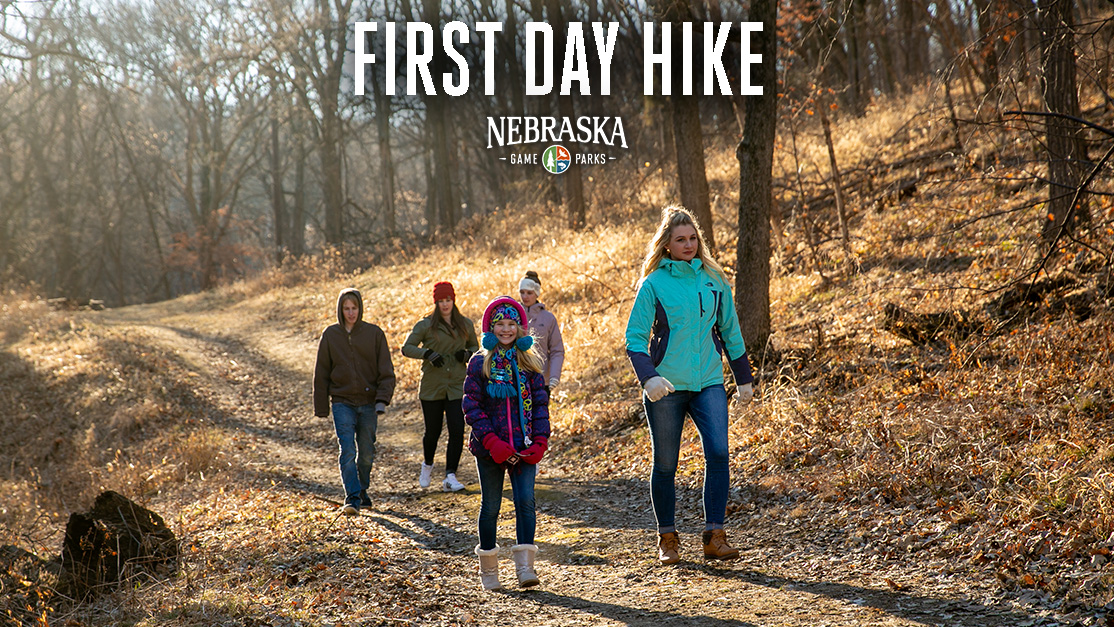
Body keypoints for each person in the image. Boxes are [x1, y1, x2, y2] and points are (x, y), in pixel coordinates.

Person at [624, 206, 755, 565]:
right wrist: (649, 376)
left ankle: (715, 536)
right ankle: (667, 537)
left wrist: (743, 378)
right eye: (680, 239)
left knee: (719, 454)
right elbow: (634, 338)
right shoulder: (653, 285)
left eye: (693, 238)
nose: (688, 244)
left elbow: (730, 331)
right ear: (666, 244)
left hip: (709, 381)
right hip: (665, 386)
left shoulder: (714, 281)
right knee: (666, 464)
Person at [464, 296, 551, 590]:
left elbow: (540, 405)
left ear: (520, 327)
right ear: (490, 328)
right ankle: (488, 571)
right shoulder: (479, 363)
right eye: (499, 324)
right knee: (491, 506)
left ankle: (526, 567)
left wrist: (540, 440)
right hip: (490, 449)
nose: (505, 329)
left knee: (526, 502)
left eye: (511, 323)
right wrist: (490, 440)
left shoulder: (529, 364)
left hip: (524, 447)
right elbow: (471, 405)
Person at [313, 287, 396, 516]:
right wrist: (321, 407)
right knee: (347, 449)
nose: (351, 313)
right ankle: (352, 498)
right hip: (342, 402)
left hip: (369, 403)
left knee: (367, 452)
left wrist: (381, 401)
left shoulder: (374, 334)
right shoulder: (331, 335)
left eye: (354, 308)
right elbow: (321, 373)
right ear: (340, 310)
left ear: (360, 308)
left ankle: (362, 490)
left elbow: (386, 371)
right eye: (346, 309)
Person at [401, 281, 479, 492]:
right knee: (432, 432)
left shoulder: (465, 324)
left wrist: (467, 355)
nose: (445, 305)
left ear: (454, 300)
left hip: (457, 384)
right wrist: (426, 353)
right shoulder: (425, 325)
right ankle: (427, 464)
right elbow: (406, 348)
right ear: (435, 302)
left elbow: (475, 347)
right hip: (432, 386)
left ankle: (450, 475)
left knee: (457, 430)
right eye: (441, 301)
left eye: (448, 300)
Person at [517, 271, 565, 393]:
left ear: (537, 293)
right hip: (517, 378)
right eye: (522, 292)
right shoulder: (513, 316)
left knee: (540, 413)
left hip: (542, 380)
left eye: (529, 293)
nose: (525, 296)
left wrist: (554, 376)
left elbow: (556, 349)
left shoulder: (548, 318)